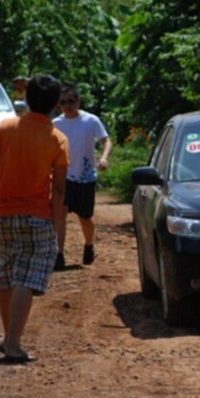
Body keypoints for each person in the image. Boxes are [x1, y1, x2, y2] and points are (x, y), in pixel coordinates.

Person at [0, 74, 69, 364]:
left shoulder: (6, 127)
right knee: (26, 278)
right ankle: (14, 345)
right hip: (36, 217)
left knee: (6, 276)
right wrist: (56, 227)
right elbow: (59, 190)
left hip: (2, 216)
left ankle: (8, 338)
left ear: (25, 98)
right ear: (56, 104)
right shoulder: (57, 139)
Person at [52, 83, 112, 270]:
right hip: (63, 175)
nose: (67, 105)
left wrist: (103, 158)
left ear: (78, 100)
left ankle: (88, 244)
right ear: (58, 105)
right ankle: (59, 255)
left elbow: (106, 140)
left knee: (85, 217)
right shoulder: (55, 125)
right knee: (60, 215)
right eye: (63, 102)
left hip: (85, 177)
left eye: (71, 101)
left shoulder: (91, 121)